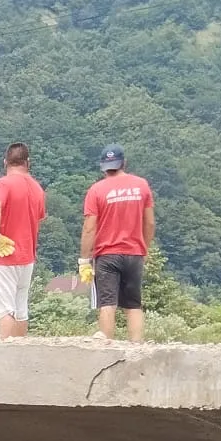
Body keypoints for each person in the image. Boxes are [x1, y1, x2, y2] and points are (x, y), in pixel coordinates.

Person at [77, 146, 154, 342]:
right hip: (134, 253)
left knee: (107, 303)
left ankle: (107, 347)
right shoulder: (141, 186)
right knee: (133, 305)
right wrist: (144, 249)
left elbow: (89, 228)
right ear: (124, 163)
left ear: (103, 167)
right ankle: (137, 348)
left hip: (107, 254)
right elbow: (150, 223)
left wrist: (84, 260)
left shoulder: (96, 190)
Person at [0, 142, 46, 340]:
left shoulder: (3, 184)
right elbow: (39, 218)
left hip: (4, 255)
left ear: (5, 162)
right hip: (27, 256)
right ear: (28, 162)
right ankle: (21, 350)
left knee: (5, 309)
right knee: (21, 308)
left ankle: (6, 351)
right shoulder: (37, 188)